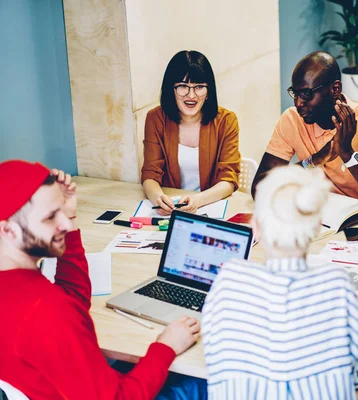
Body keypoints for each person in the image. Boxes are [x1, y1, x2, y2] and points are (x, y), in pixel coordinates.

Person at [0, 160, 206, 399]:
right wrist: (166, 346)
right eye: (50, 217)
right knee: (204, 380)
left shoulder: (24, 291)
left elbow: (74, 301)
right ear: (8, 230)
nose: (65, 223)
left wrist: (69, 214)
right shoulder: (45, 311)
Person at [203, 165, 358, 399]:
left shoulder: (228, 282)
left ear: (256, 226)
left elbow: (214, 358)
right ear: (317, 226)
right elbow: (356, 377)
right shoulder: (338, 287)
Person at [251, 51, 358, 217]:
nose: (298, 103)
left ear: (335, 89)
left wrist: (348, 155)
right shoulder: (291, 120)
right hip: (317, 218)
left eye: (306, 94)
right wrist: (313, 160)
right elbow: (259, 189)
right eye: (295, 93)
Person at [142, 50, 241, 215]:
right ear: (171, 89)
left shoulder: (226, 120)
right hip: (170, 212)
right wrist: (158, 198)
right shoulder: (155, 118)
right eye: (182, 86)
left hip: (208, 208)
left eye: (199, 87)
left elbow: (228, 180)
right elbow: (150, 174)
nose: (191, 95)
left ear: (209, 90)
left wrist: (198, 200)